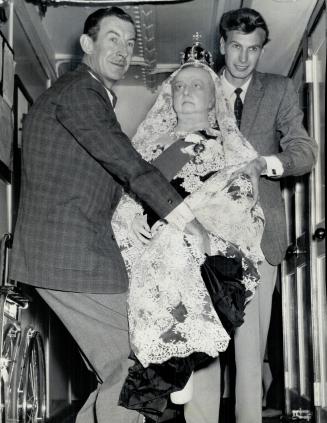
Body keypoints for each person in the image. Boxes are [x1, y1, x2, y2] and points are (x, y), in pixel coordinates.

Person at [9, 7, 208, 423]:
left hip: (73, 255)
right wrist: (185, 218)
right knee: (138, 365)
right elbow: (126, 162)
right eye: (112, 38)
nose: (122, 49)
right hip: (72, 255)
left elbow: (99, 172)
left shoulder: (84, 95)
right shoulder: (81, 91)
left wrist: (129, 206)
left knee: (123, 371)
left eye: (129, 42)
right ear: (87, 45)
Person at [112, 46, 265, 423]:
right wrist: (130, 214)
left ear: (214, 97)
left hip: (203, 255)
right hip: (149, 258)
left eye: (196, 85)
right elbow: (124, 191)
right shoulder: (147, 146)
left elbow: (241, 197)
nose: (185, 92)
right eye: (178, 86)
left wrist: (197, 230)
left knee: (203, 354)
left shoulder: (228, 147)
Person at [218, 8, 317, 423]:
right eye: (236, 48)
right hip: (201, 233)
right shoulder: (194, 87)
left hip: (260, 237)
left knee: (248, 345)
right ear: (221, 44)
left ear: (261, 51)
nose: (242, 59)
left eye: (253, 50)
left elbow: (305, 152)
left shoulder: (278, 90)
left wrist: (264, 164)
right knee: (199, 348)